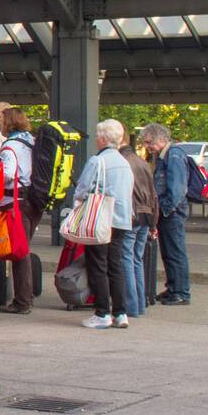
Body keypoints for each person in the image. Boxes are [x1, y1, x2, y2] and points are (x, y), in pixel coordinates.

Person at [73, 120, 134, 330]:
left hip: (100, 219)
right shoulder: (125, 163)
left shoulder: (96, 161)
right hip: (122, 219)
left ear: (103, 138)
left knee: (97, 265)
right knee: (115, 265)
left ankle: (102, 313)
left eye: (98, 135)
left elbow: (82, 189)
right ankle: (120, 312)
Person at [141, 122, 192, 306]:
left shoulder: (174, 156)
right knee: (169, 252)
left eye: (149, 142)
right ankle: (173, 288)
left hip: (172, 213)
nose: (148, 147)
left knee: (175, 252)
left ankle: (180, 292)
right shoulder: (166, 156)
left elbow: (177, 190)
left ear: (160, 139)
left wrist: (164, 210)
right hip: (169, 211)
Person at [0, 107, 39, 314]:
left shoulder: (10, 146)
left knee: (19, 253)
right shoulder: (31, 140)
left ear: (8, 123)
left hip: (16, 202)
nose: (0, 125)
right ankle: (27, 296)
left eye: (2, 121)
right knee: (25, 249)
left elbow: (7, 174)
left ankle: (22, 301)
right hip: (34, 200)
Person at [119, 137, 158, 320]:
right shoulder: (143, 163)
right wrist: (153, 223)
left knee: (126, 258)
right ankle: (140, 304)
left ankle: (130, 306)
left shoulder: (122, 163)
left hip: (131, 215)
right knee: (137, 259)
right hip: (146, 215)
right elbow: (153, 194)